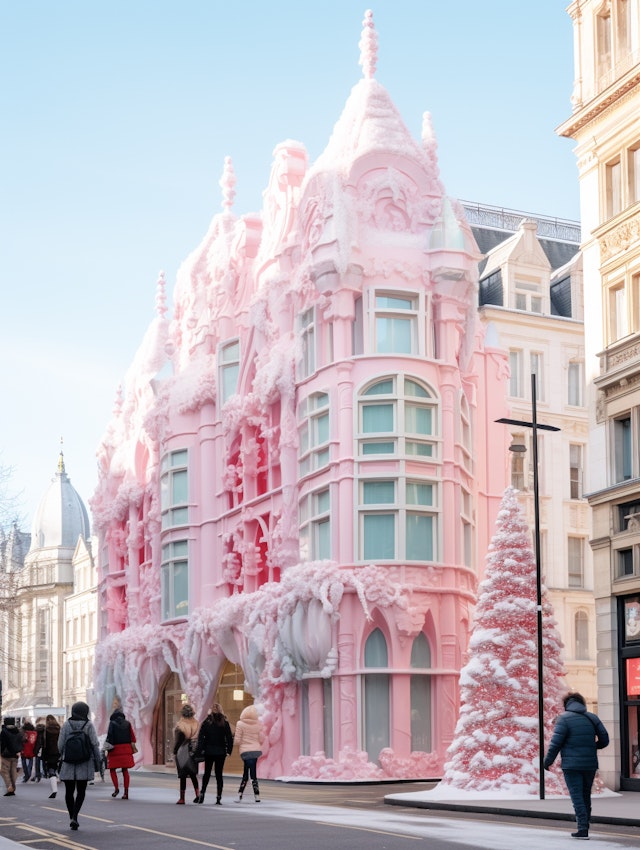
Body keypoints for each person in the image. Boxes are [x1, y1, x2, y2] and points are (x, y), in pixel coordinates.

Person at [544, 692, 609, 840]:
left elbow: (555, 744)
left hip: (571, 765)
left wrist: (548, 761)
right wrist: (591, 747)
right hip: (590, 764)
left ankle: (582, 829)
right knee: (586, 795)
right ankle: (585, 826)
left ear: (567, 704)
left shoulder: (564, 719)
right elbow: (605, 740)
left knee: (577, 797)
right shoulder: (592, 718)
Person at [58, 702, 101, 831]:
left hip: (68, 762)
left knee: (69, 791)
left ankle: (71, 816)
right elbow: (94, 744)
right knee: (81, 790)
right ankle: (75, 816)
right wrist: (97, 762)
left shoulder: (66, 725)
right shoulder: (88, 725)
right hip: (84, 761)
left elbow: (60, 745)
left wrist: (63, 755)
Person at [195, 703, 233, 804]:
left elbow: (201, 737)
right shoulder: (224, 722)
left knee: (207, 773)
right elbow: (229, 737)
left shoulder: (207, 722)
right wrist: (229, 750)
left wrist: (200, 749)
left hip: (209, 751)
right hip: (220, 752)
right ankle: (218, 797)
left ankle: (202, 794)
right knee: (219, 774)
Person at [105, 698, 136, 799]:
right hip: (126, 749)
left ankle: (116, 788)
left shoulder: (112, 723)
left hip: (115, 750)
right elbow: (133, 737)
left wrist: (106, 748)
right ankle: (126, 792)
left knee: (112, 769)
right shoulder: (128, 724)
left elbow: (110, 737)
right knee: (125, 770)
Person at [233, 704, 263, 803]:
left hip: (245, 751)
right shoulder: (258, 724)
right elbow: (261, 738)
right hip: (255, 751)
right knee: (253, 772)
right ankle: (256, 795)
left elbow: (237, 741)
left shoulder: (240, 724)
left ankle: (240, 794)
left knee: (246, 773)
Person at [173, 704, 200, 805]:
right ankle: (198, 794)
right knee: (193, 774)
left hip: (182, 751)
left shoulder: (180, 725)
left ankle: (182, 798)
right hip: (193, 750)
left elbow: (178, 741)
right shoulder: (196, 723)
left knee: (183, 775)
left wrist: (174, 751)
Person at [0, 717, 24, 796]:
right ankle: (13, 788)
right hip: (15, 754)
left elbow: (2, 743)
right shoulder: (18, 731)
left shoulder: (4, 731)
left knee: (4, 771)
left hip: (6, 754)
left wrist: (1, 752)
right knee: (13, 771)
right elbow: (21, 742)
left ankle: (9, 786)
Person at [41, 715, 61, 799]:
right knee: (56, 767)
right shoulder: (60, 729)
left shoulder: (46, 731)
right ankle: (58, 777)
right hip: (58, 752)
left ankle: (54, 789)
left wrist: (43, 756)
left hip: (49, 753)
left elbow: (44, 744)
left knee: (51, 770)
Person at [33, 718, 46, 782]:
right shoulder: (45, 730)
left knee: (37, 762)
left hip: (37, 748)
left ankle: (37, 774)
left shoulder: (35, 730)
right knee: (44, 761)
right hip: (44, 748)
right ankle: (45, 773)